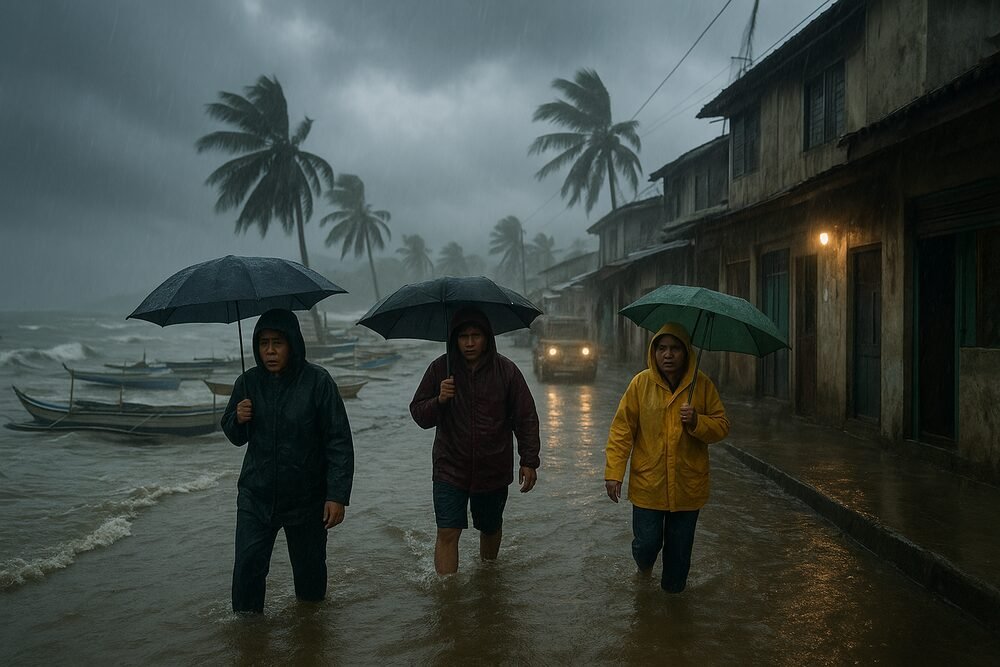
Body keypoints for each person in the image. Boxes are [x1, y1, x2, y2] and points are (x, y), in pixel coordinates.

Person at [221, 308, 355, 613]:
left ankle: (310, 637)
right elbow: (235, 435)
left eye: (277, 342)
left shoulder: (318, 382)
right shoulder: (247, 383)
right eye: (263, 343)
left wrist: (336, 495)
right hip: (256, 496)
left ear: (293, 343)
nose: (269, 351)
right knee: (247, 570)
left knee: (310, 586)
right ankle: (249, 641)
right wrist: (237, 419)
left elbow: (339, 442)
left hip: (307, 499)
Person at [409, 307, 541, 575]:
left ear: (487, 338)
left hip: (493, 466)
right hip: (449, 467)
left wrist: (529, 460)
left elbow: (525, 417)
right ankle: (448, 600)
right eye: (463, 336)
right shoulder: (440, 369)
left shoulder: (507, 372)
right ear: (454, 339)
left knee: (490, 527)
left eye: (476, 335)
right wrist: (440, 400)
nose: (469, 343)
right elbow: (419, 414)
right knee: (447, 530)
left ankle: (488, 578)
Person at [604, 322, 729, 593]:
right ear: (654, 351)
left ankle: (674, 616)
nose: (668, 355)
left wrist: (697, 421)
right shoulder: (640, 384)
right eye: (662, 348)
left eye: (674, 349)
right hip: (649, 484)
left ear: (686, 353)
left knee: (679, 559)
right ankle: (644, 569)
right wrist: (614, 473)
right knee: (647, 543)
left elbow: (721, 427)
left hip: (687, 487)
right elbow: (622, 430)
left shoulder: (702, 385)